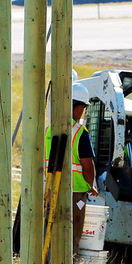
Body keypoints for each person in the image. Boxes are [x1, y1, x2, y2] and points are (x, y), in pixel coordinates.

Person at [46, 82, 98, 250]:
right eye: (83, 107)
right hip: (74, 193)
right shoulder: (81, 133)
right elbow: (87, 166)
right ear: (78, 106)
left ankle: (46, 263)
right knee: (71, 234)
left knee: (48, 230)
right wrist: (91, 185)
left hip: (49, 187)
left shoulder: (49, 129)